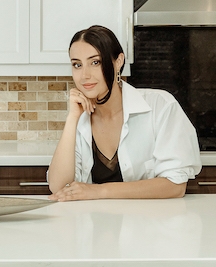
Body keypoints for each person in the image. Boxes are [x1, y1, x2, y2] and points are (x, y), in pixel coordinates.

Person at [47, 25, 201, 201]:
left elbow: (175, 186)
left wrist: (99, 191)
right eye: (77, 65)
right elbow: (57, 186)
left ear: (118, 61)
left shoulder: (160, 106)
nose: (84, 75)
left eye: (95, 62)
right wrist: (72, 118)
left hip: (149, 225)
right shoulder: (81, 117)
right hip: (92, 224)